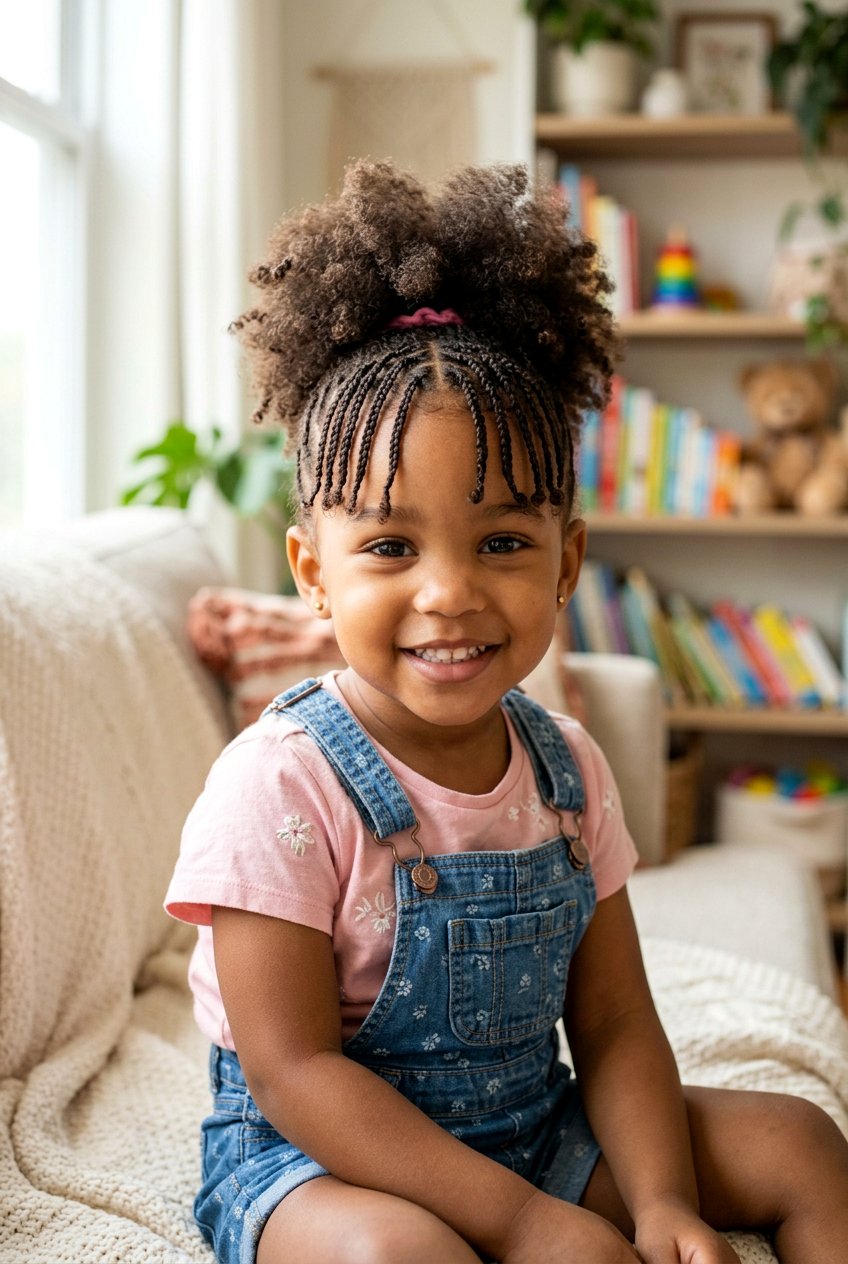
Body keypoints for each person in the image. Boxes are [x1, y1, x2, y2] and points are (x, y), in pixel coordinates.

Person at [165, 160, 848, 1264]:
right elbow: (293, 1073)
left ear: (565, 562)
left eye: (501, 541)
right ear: (314, 572)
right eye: (391, 545)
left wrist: (662, 1202)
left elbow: (614, 1023)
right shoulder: (277, 783)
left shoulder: (565, 769)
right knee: (401, 1254)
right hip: (322, 1160)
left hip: (531, 1126)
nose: (449, 592)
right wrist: (526, 1224)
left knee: (801, 1142)